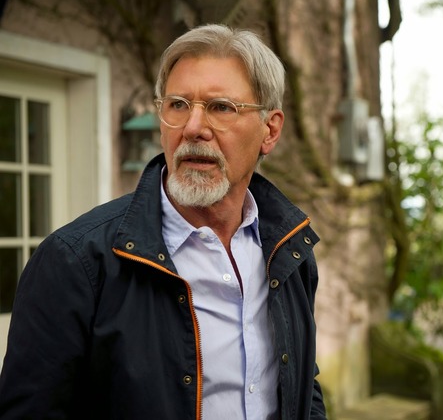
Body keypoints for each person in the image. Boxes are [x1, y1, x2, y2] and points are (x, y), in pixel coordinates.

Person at [0, 23, 327, 420]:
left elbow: (301, 382)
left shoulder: (290, 251)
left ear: (270, 130)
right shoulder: (75, 262)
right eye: (178, 105)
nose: (193, 128)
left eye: (221, 107)